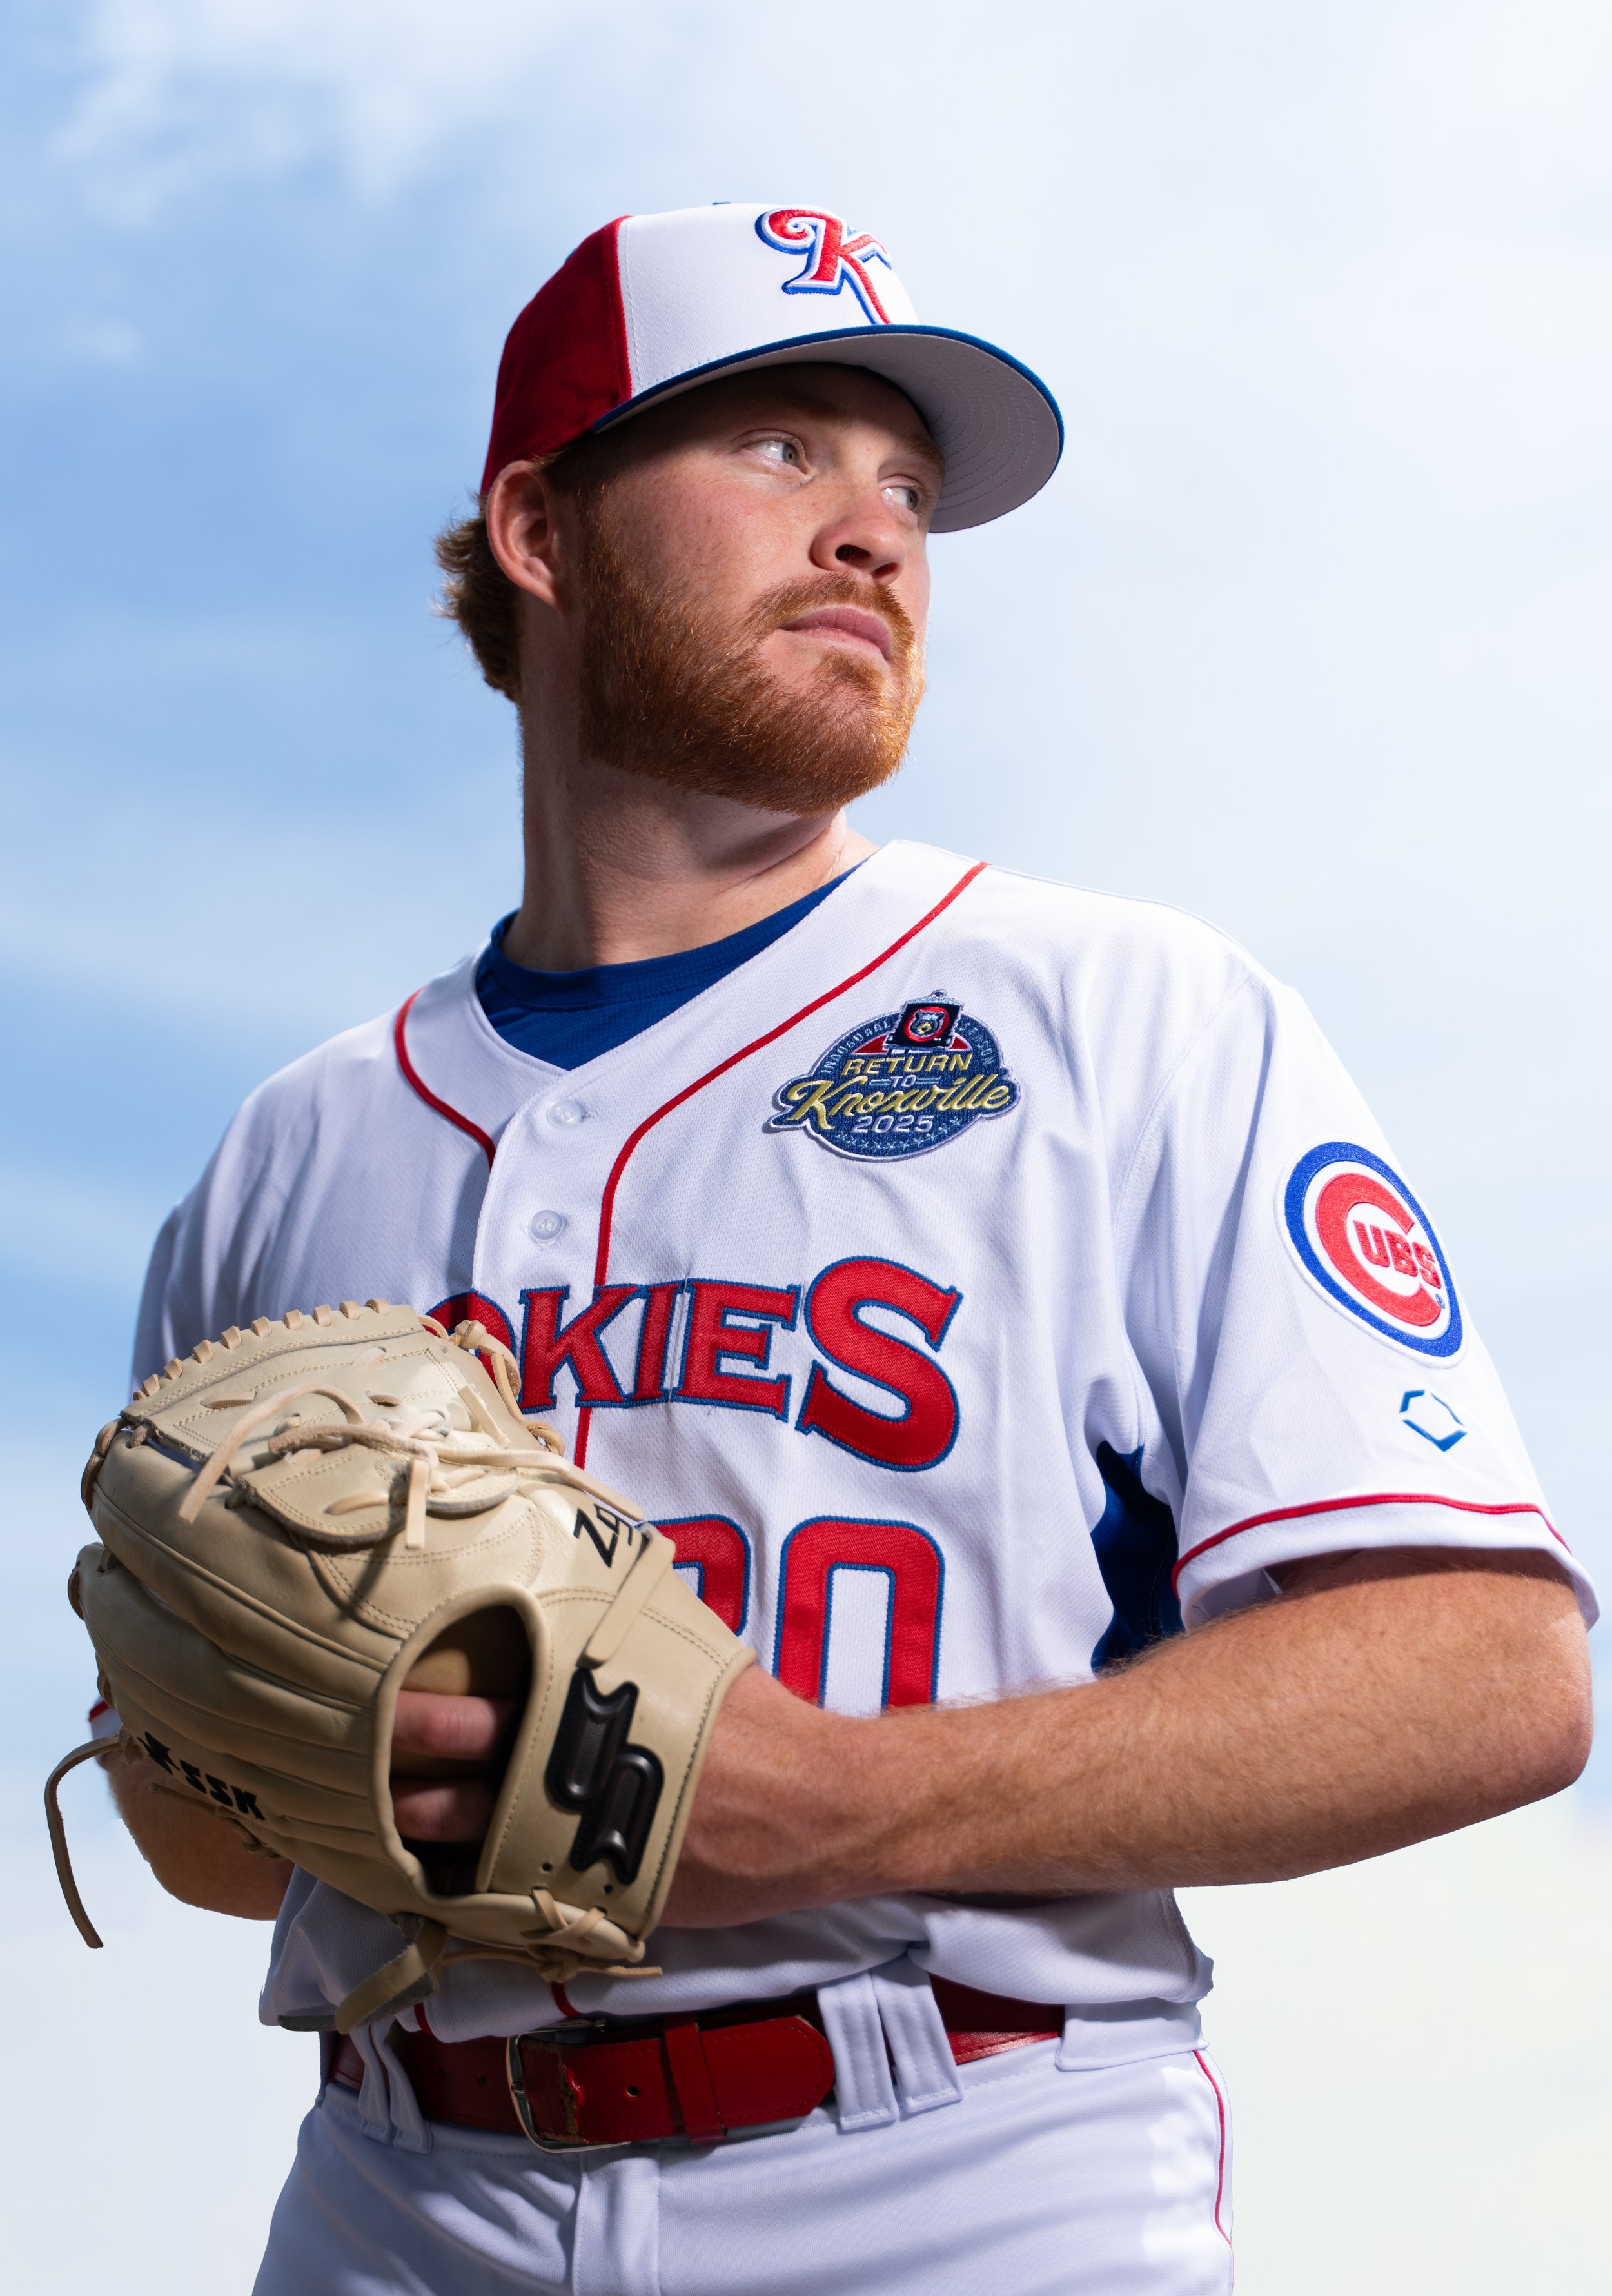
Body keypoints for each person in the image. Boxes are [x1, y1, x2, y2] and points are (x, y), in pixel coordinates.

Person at [103, 201, 1593, 2295]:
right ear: (539, 529)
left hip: (962, 2172)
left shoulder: (1126, 1012)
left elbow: (1484, 1674)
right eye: (781, 450)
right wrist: (254, 1746)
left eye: (906, 485)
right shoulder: (295, 1145)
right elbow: (209, 1851)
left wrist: (845, 1808)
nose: (875, 532)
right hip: (392, 2192)